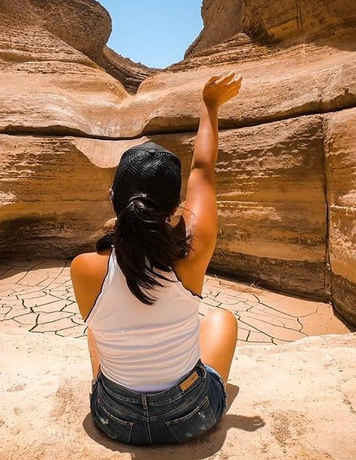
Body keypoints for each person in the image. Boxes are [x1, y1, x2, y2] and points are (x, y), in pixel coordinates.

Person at [70, 72, 243, 445]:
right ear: (176, 209)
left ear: (113, 197)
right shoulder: (192, 255)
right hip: (189, 416)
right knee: (221, 319)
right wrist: (210, 105)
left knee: (97, 331)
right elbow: (203, 170)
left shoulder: (84, 267)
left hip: (114, 418)